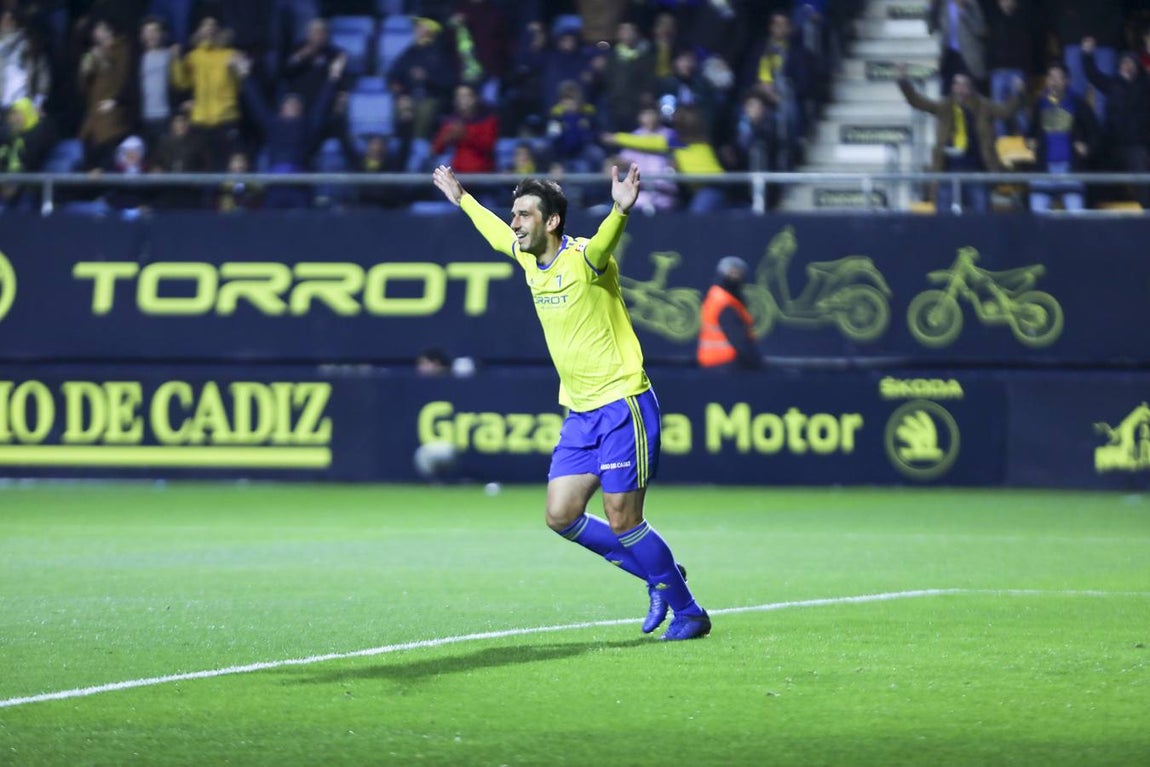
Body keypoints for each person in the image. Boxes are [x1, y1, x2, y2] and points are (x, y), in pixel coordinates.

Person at [430, 162, 711, 641]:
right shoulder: (526, 258)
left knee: (625, 519)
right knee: (560, 515)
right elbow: (496, 235)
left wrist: (621, 211)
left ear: (552, 221)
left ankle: (689, 613)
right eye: (514, 214)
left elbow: (603, 244)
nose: (514, 222)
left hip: (623, 403)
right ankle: (660, 574)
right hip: (581, 410)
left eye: (523, 215)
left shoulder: (584, 259)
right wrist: (461, 198)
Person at [898, 68, 1024, 213]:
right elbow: (917, 102)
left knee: (981, 218)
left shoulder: (984, 106)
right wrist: (903, 82)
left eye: (964, 84)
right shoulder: (944, 106)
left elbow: (1005, 112)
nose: (960, 88)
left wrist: (1019, 94)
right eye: (956, 84)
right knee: (944, 219)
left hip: (976, 173)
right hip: (947, 173)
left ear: (970, 88)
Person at [697, 256, 761, 370]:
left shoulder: (716, 296)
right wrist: (757, 364)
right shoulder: (725, 303)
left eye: (738, 274)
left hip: (713, 364)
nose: (735, 277)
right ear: (722, 274)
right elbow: (738, 339)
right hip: (726, 364)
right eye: (732, 273)